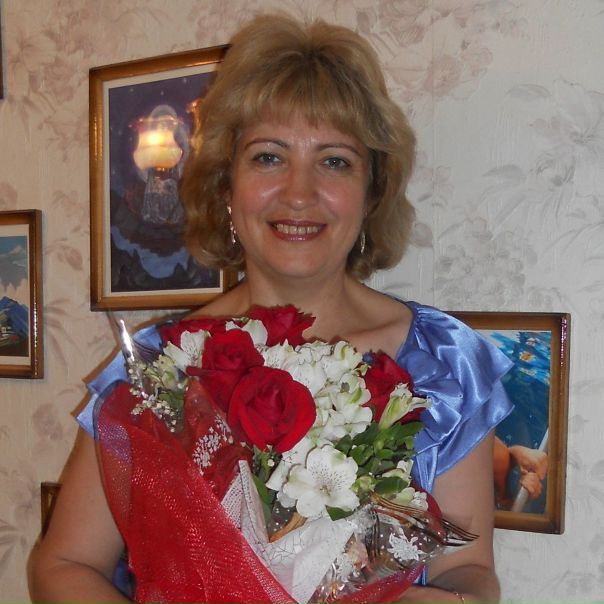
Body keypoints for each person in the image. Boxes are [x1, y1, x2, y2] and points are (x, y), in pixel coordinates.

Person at [30, 13, 513, 604]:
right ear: (225, 185)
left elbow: (470, 573)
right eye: (267, 157)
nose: (299, 193)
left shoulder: (444, 364)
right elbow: (64, 564)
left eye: (334, 160)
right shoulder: (158, 370)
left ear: (371, 192)